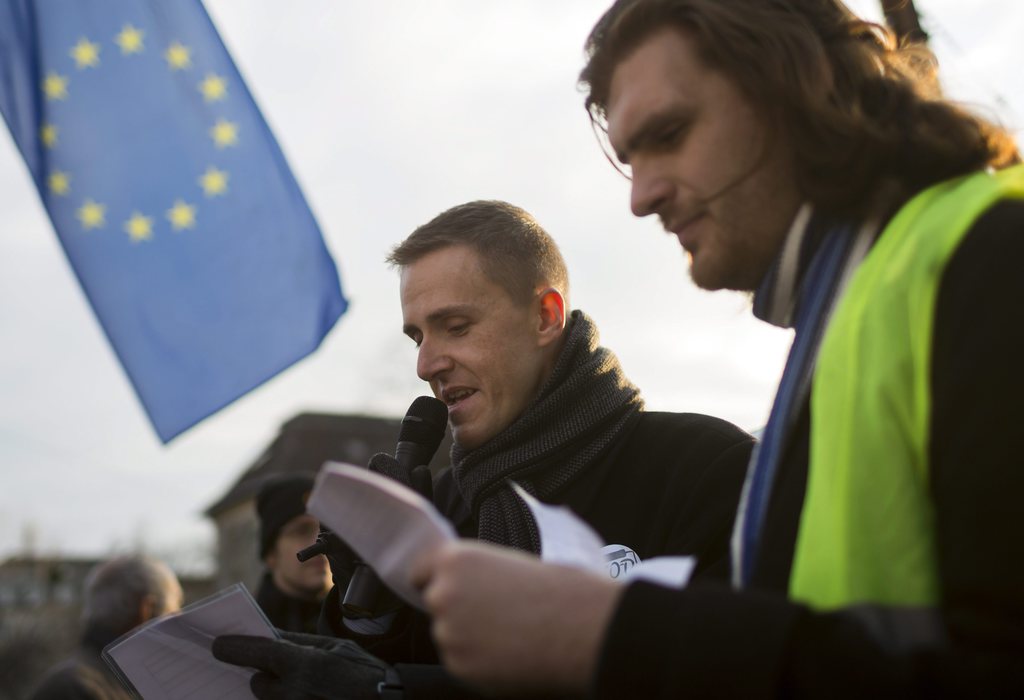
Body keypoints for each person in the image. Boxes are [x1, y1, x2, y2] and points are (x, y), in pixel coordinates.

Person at [404, 0, 1024, 697]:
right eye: (630, 157)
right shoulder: (856, 308)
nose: (640, 197)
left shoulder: (992, 260)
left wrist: (617, 636)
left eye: (669, 133)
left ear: (797, 88)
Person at [213, 200, 755, 697]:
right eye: (418, 338)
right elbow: (387, 667)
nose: (426, 364)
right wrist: (367, 613)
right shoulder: (439, 510)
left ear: (545, 316)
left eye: (455, 326)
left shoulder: (706, 469)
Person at [31, 556, 183, 700]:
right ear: (146, 611)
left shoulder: (77, 683)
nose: (178, 625)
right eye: (174, 612)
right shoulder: (78, 689)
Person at [254, 473, 332, 634]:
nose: (320, 542)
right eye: (302, 531)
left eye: (327, 529)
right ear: (271, 554)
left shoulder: (363, 624)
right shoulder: (247, 629)